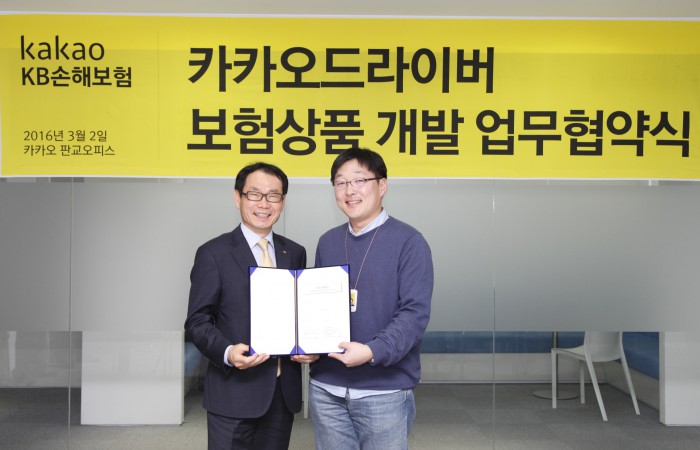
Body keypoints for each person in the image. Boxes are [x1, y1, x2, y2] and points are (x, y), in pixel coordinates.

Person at [185, 162, 317, 450]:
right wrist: (227, 352)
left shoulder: (294, 252)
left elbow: (299, 314)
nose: (264, 204)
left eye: (273, 196)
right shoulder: (213, 253)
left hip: (282, 394)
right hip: (233, 392)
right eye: (255, 194)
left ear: (283, 202)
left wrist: (311, 344)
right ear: (238, 198)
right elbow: (197, 321)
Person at [309, 147, 434, 450]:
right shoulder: (328, 241)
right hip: (326, 389)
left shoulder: (409, 242)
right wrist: (307, 345)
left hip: (383, 392)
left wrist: (371, 350)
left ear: (382, 185)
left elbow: (414, 315)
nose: (349, 190)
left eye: (359, 180)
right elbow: (318, 308)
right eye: (341, 182)